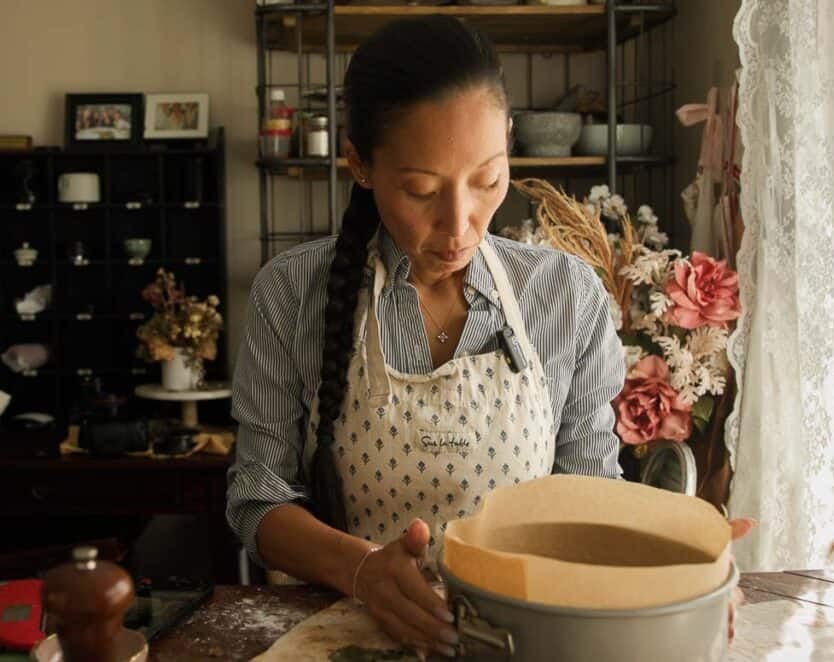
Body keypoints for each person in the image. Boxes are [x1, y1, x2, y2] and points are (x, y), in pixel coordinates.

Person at [226, 15, 626, 658]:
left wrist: (685, 572)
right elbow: (257, 502)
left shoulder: (564, 296)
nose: (458, 224)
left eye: (488, 180)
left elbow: (594, 499)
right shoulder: (292, 294)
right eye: (420, 190)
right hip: (346, 638)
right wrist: (359, 569)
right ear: (359, 164)